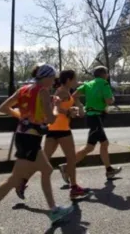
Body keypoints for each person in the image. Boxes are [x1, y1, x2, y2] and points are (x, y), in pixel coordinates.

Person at [0, 64, 73, 233]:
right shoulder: (43, 91)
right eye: (53, 78)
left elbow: (3, 107)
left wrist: (23, 117)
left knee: (46, 170)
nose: (54, 81)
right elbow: (51, 119)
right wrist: (56, 104)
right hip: (31, 138)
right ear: (46, 77)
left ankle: (54, 210)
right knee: (14, 179)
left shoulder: (24, 89)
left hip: (24, 136)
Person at [15, 69, 87, 200]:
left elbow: (60, 107)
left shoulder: (63, 91)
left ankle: (22, 182)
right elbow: (58, 108)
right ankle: (74, 187)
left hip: (53, 128)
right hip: (62, 128)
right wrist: (68, 112)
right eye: (75, 79)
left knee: (44, 160)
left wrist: (73, 108)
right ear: (69, 80)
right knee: (71, 158)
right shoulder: (63, 91)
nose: (76, 82)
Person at [73, 66, 122, 179]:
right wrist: (112, 99)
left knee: (98, 145)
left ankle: (109, 170)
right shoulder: (104, 84)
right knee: (93, 147)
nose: (108, 76)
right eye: (107, 73)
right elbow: (109, 101)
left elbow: (74, 96)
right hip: (96, 117)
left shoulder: (88, 84)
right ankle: (67, 167)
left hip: (91, 117)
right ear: (104, 74)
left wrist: (80, 107)